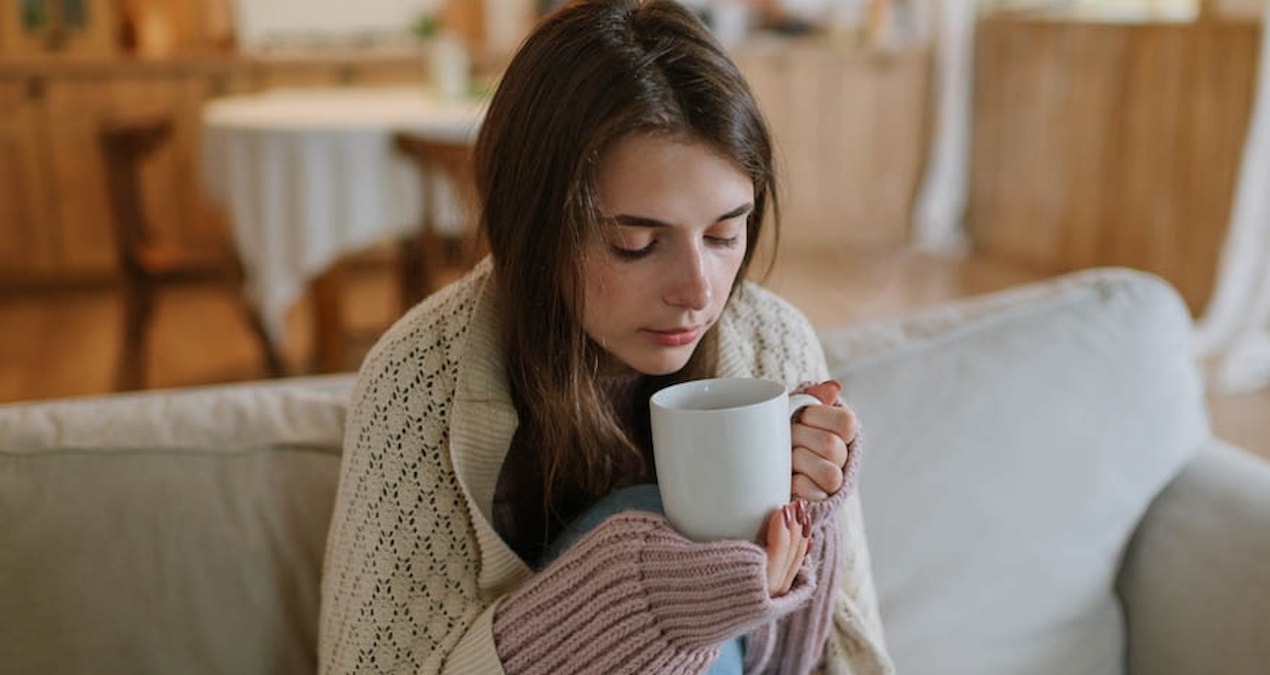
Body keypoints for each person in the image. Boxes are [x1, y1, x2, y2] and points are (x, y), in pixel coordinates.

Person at [318, 1, 893, 673]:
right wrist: (638, 604)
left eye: (724, 233)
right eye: (636, 243)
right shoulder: (418, 383)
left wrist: (808, 523)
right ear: (535, 229)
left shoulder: (775, 345)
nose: (699, 291)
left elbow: (815, 662)